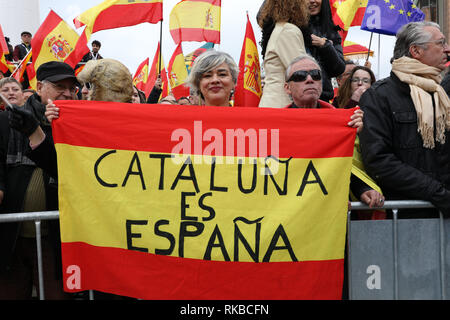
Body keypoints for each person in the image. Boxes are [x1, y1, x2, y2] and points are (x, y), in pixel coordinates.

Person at [0, 61, 78, 300]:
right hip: (11, 238)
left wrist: (51, 128)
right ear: (39, 87)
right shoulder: (7, 122)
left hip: (55, 239)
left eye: (71, 88)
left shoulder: (76, 125)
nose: (66, 92)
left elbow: (67, 170)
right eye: (59, 86)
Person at [359, 21, 450, 218]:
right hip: (406, 217)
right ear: (416, 51)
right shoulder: (379, 96)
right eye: (441, 43)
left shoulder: (441, 93)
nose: (447, 49)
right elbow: (379, 160)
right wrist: (437, 193)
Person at [284, 54, 384, 208]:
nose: (309, 79)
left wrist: (361, 189)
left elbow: (345, 166)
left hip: (332, 212)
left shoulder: (344, 121)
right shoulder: (275, 127)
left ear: (321, 83)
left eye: (316, 75)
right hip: (290, 209)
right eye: (300, 76)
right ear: (287, 88)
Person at [257, 0, 309, 108]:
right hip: (282, 106)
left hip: (275, 105)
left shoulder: (280, 29)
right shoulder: (288, 30)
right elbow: (303, 73)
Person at [303, 0, 346, 102]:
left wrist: (325, 46)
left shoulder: (331, 31)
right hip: (295, 97)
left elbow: (339, 68)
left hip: (322, 98)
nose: (312, 1)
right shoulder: (292, 28)